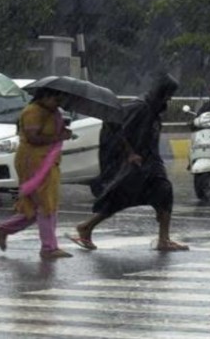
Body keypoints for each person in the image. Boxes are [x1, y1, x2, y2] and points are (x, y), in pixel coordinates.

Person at [69, 73, 190, 252]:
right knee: (120, 197)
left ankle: (164, 239)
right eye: (169, 93)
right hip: (139, 163)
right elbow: (117, 128)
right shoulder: (140, 107)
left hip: (151, 162)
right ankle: (86, 227)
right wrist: (130, 153)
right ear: (162, 91)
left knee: (163, 192)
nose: (170, 98)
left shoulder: (155, 108)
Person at [0, 88, 74, 259]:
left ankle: (4, 228)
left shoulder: (52, 112)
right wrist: (59, 137)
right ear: (45, 96)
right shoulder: (33, 111)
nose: (59, 103)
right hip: (34, 161)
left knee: (39, 206)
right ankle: (48, 248)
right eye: (56, 99)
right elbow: (32, 138)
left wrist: (62, 133)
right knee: (45, 204)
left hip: (48, 160)